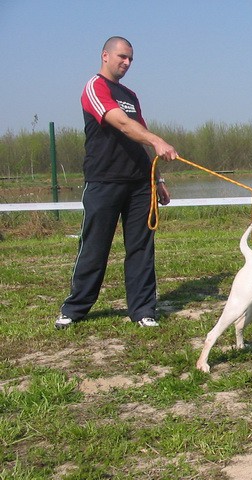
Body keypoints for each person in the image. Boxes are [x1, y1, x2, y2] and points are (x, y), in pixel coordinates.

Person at [55, 36, 178, 329]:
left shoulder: (130, 95)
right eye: (122, 57)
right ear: (105, 56)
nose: (126, 63)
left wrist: (157, 178)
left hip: (139, 184)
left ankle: (143, 310)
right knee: (95, 247)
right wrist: (158, 140)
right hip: (104, 181)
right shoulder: (95, 87)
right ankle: (75, 308)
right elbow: (121, 123)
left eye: (130, 59)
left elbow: (139, 136)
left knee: (141, 249)